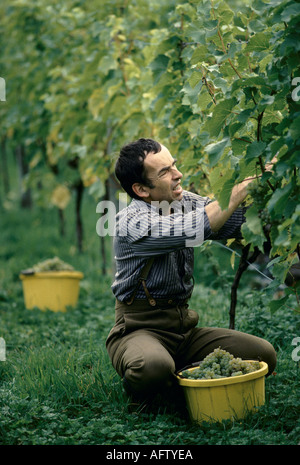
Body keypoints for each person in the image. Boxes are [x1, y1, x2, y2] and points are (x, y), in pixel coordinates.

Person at [106, 138, 277, 405]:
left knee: (263, 354)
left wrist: (279, 201)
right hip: (139, 331)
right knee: (151, 367)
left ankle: (176, 375)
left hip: (183, 331)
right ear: (140, 189)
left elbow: (236, 220)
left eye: (173, 165)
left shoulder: (185, 201)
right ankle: (150, 385)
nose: (178, 174)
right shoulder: (130, 223)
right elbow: (197, 226)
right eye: (164, 172)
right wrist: (243, 187)